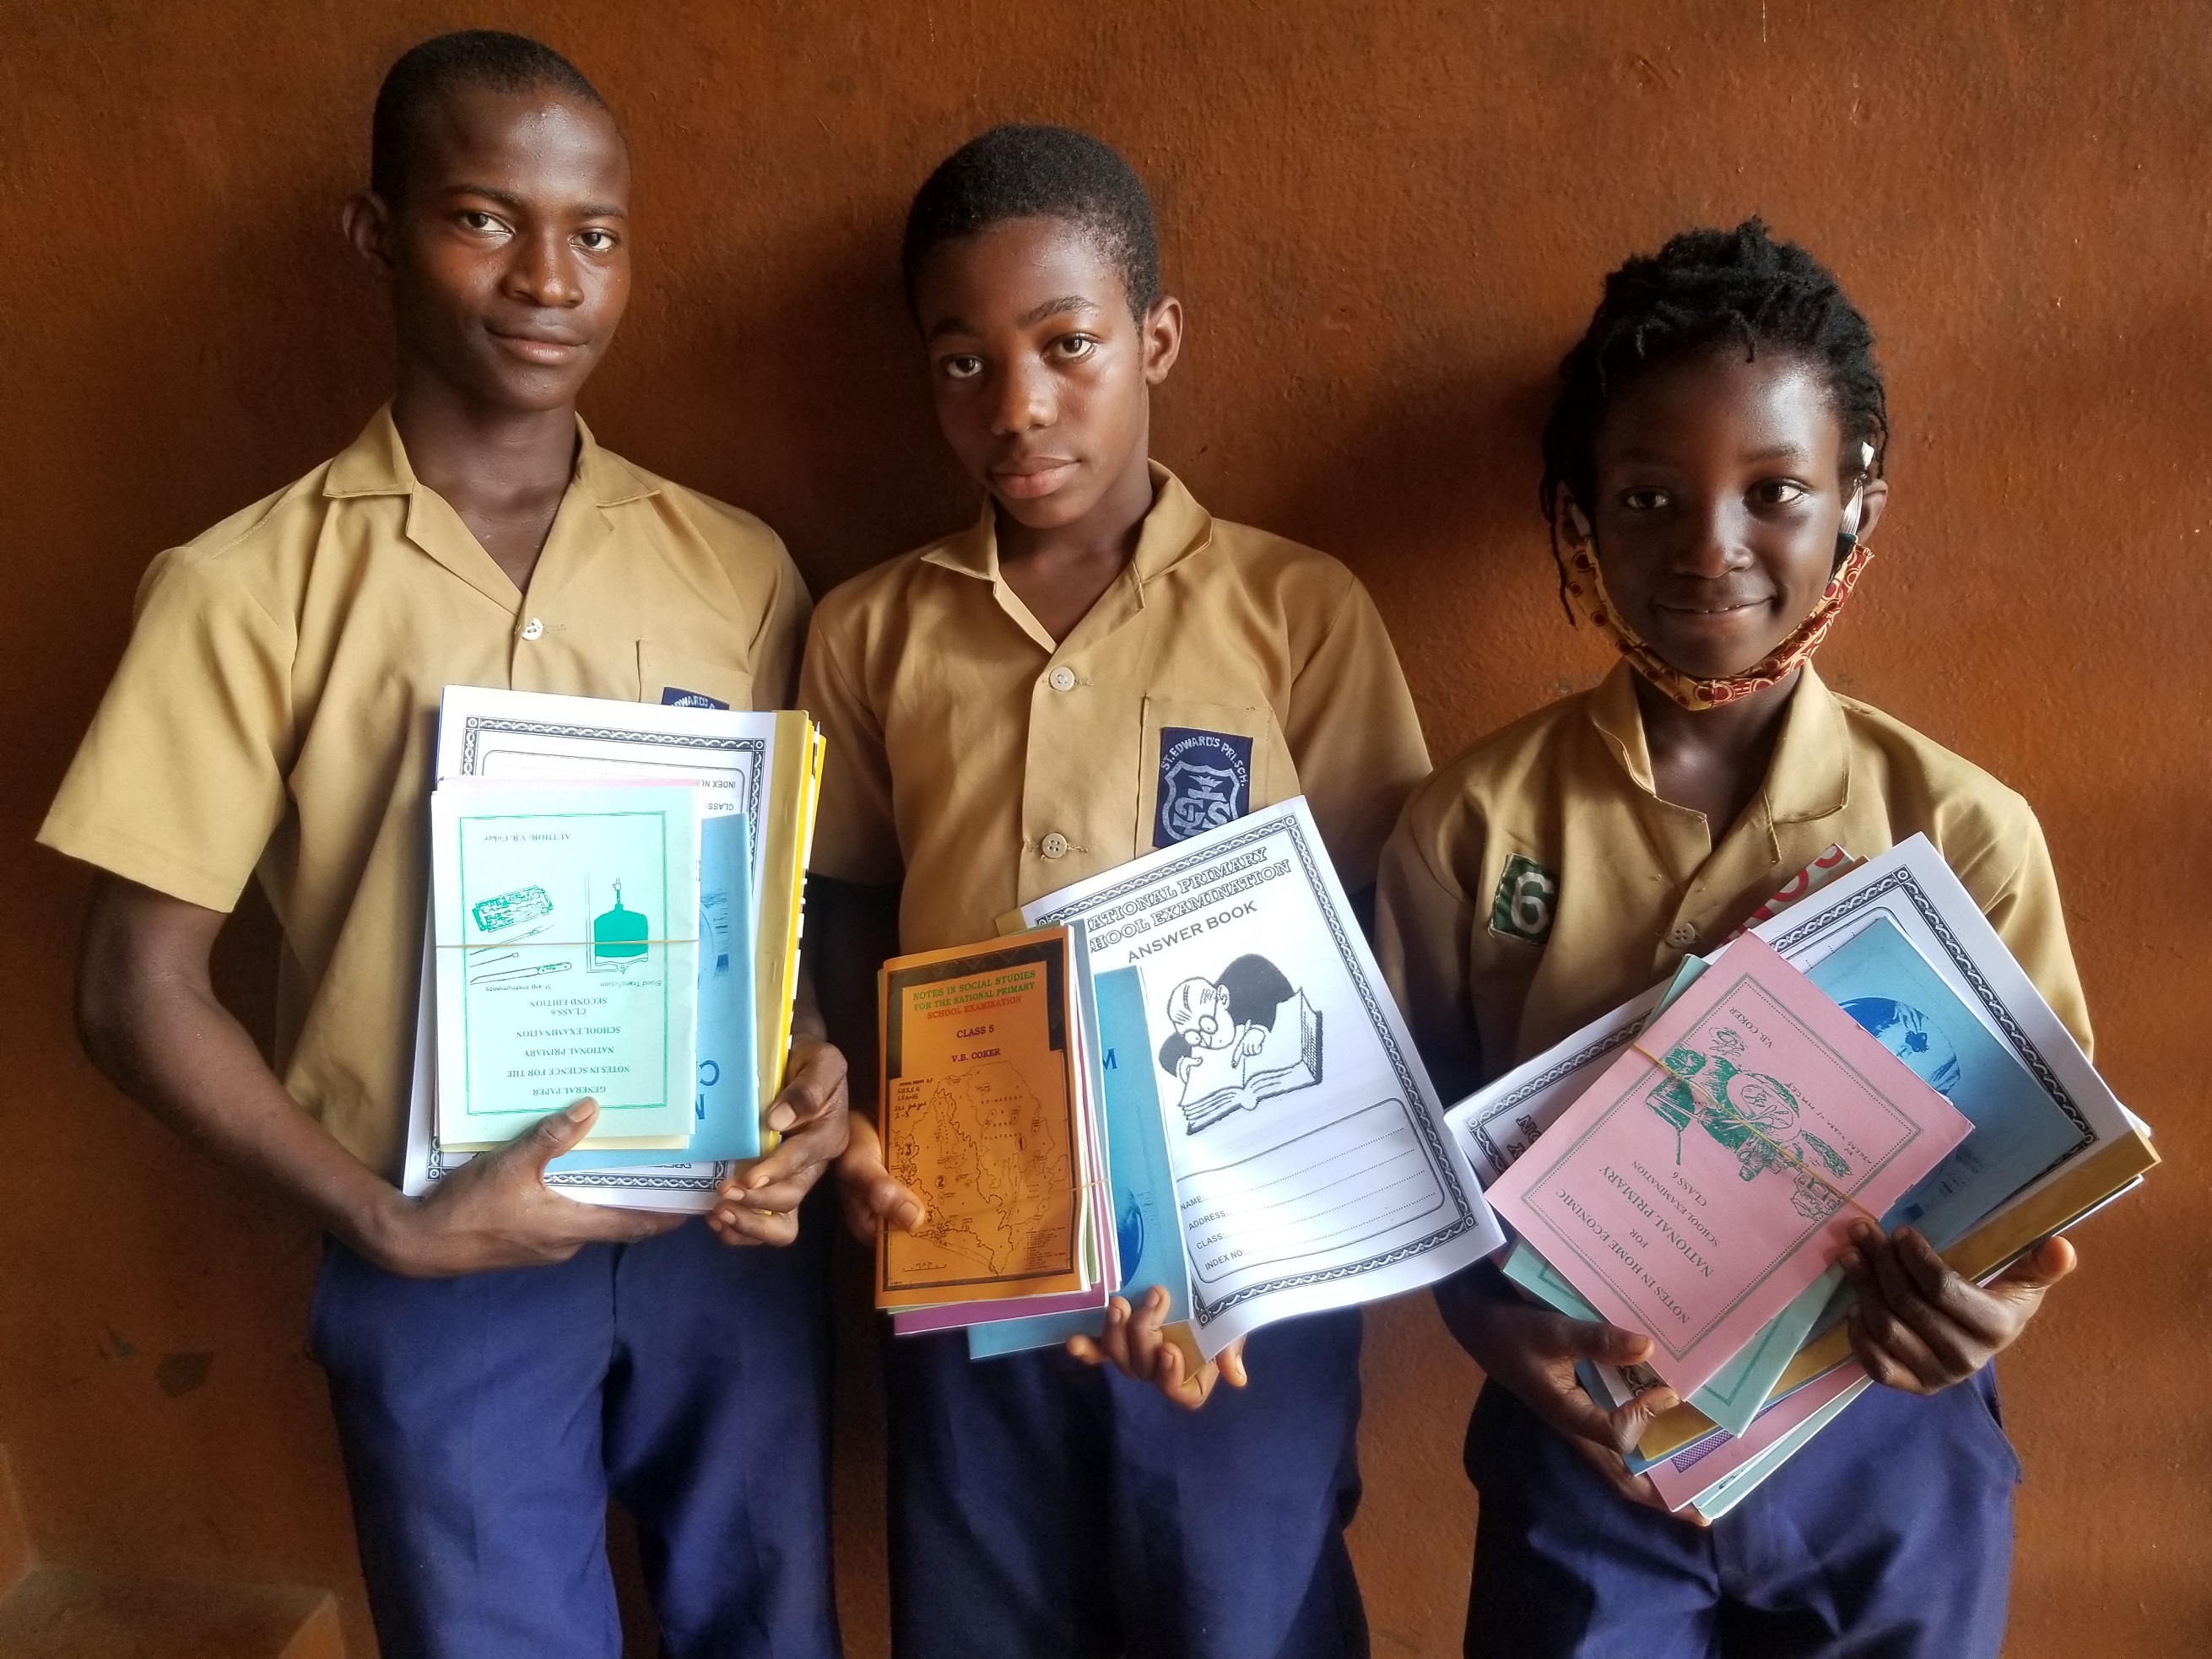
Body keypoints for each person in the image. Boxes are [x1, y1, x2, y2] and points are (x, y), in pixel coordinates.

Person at [41, 31, 847, 1659]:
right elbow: (135, 985)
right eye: (485, 218)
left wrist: (810, 1065)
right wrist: (382, 1220)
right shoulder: (247, 588)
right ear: (377, 234)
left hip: (718, 1242)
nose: (550, 279)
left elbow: (767, 910)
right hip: (435, 1251)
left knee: (772, 1628)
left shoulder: (737, 563)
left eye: (596, 233)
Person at [1374, 219, 2084, 1659]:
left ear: (1855, 508)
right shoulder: (1473, 822)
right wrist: (1482, 1327)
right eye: (1645, 495)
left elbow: (2037, 1184)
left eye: (1774, 491)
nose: (1710, 546)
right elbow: (1402, 1156)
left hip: (1881, 1444)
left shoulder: (1955, 830)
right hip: (1589, 1439)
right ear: (1576, 512)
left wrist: (1985, 1312)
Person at [803, 124, 1430, 1659]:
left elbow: (1375, 938)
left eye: (1066, 345)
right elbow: (839, 907)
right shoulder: (873, 631)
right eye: (962, 362)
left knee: (1239, 1608)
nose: (1016, 406)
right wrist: (849, 1105)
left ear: (1153, 338)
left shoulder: (1295, 612)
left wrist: (1237, 1241)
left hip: (1242, 1273)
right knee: (982, 1607)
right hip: (970, 1243)